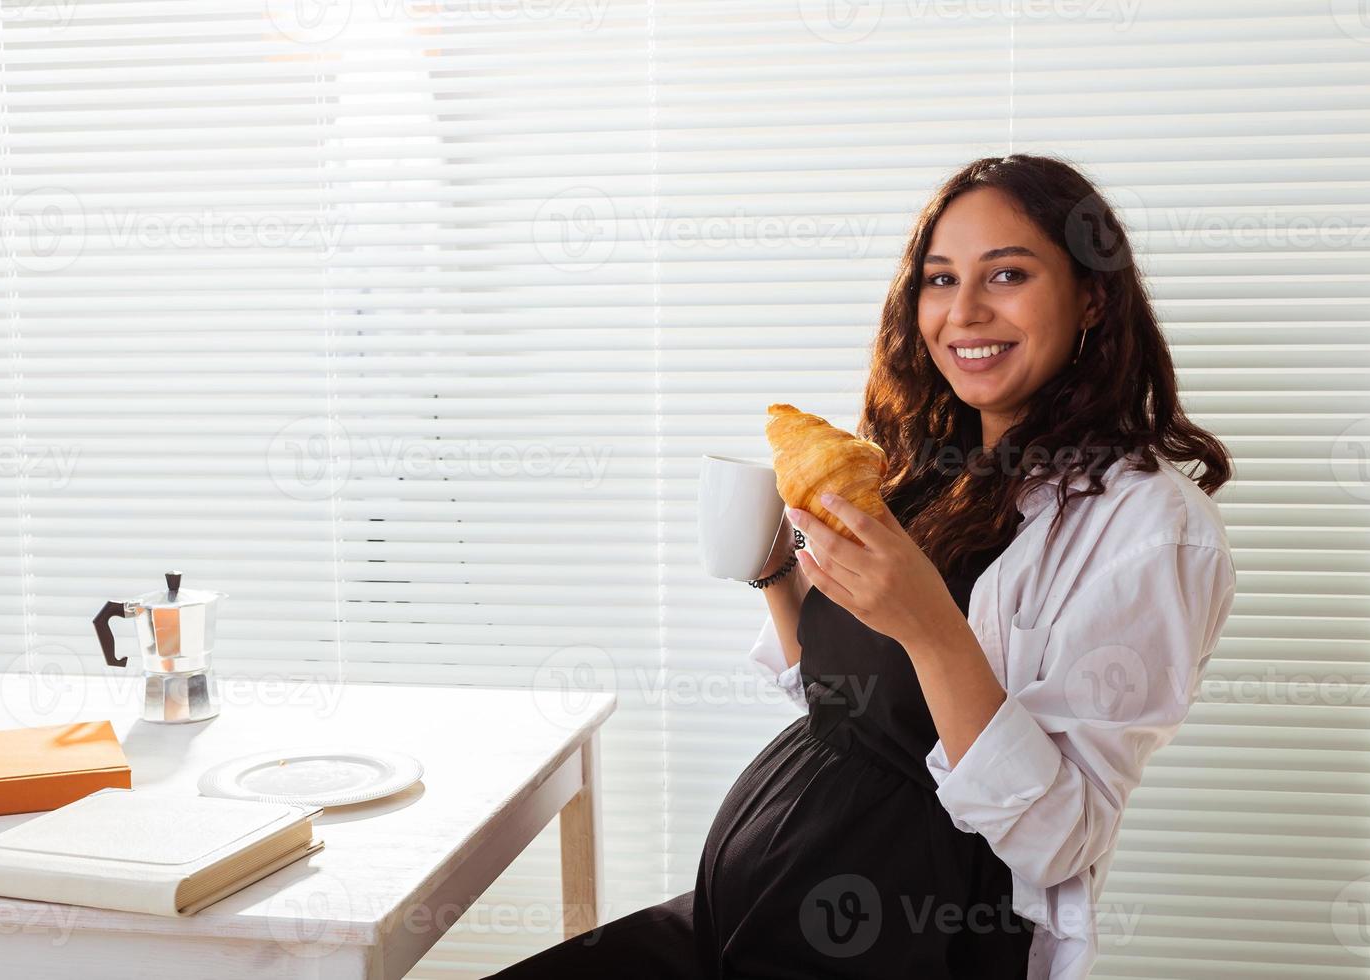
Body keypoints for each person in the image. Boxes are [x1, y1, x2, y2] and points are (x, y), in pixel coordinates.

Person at [489, 154, 1237, 979]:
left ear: (1093, 293)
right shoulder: (929, 473)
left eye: (1008, 274)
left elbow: (1062, 836)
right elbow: (857, 709)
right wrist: (777, 572)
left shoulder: (1152, 529)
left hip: (905, 941)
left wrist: (930, 627)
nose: (964, 312)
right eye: (939, 280)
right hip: (738, 916)